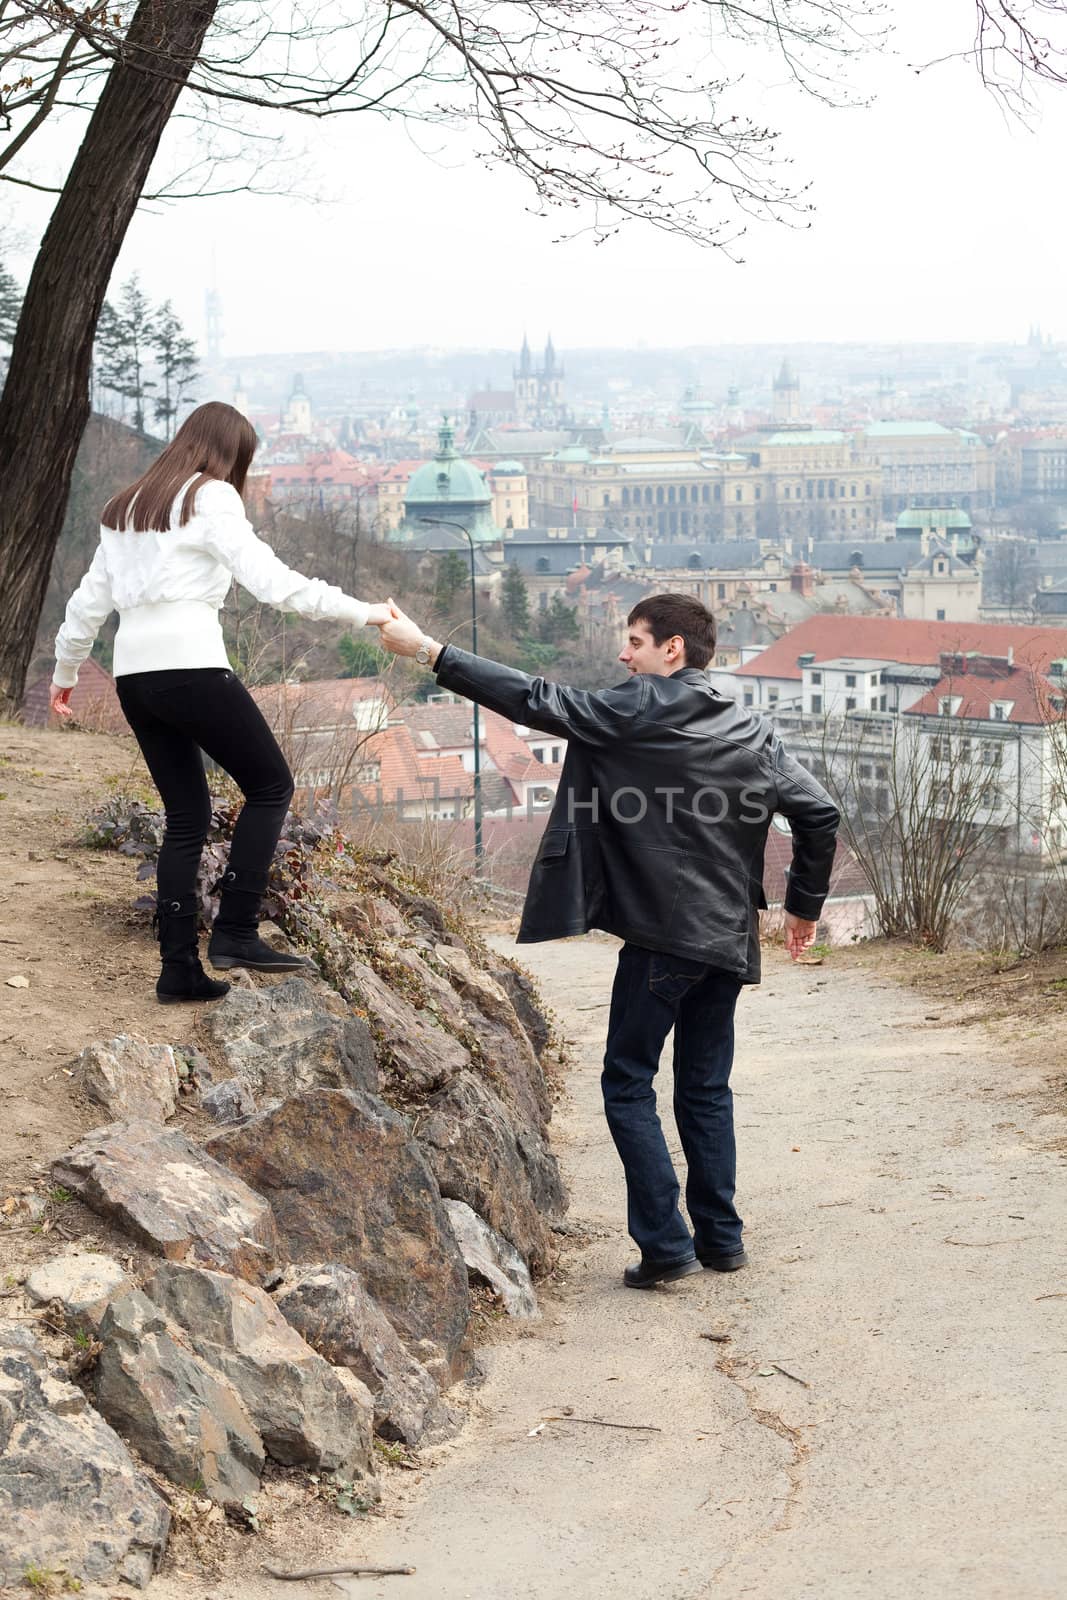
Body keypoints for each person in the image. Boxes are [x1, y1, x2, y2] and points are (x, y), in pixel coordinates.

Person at [378, 592, 840, 1288]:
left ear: (672, 649)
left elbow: (533, 699)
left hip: (662, 937)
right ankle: (720, 1240)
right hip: (728, 940)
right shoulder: (752, 725)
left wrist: (426, 649)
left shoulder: (640, 707)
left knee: (627, 1082)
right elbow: (818, 812)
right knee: (705, 1088)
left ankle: (664, 1246)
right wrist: (801, 909)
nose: (623, 656)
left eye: (634, 641)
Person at [50, 401, 392, 1006]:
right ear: (229, 454)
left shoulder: (126, 506)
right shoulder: (210, 498)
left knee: (186, 817)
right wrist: (363, 612)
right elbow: (275, 583)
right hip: (192, 667)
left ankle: (177, 969)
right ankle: (235, 930)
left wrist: (67, 670)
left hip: (135, 678)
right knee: (270, 786)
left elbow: (86, 601)